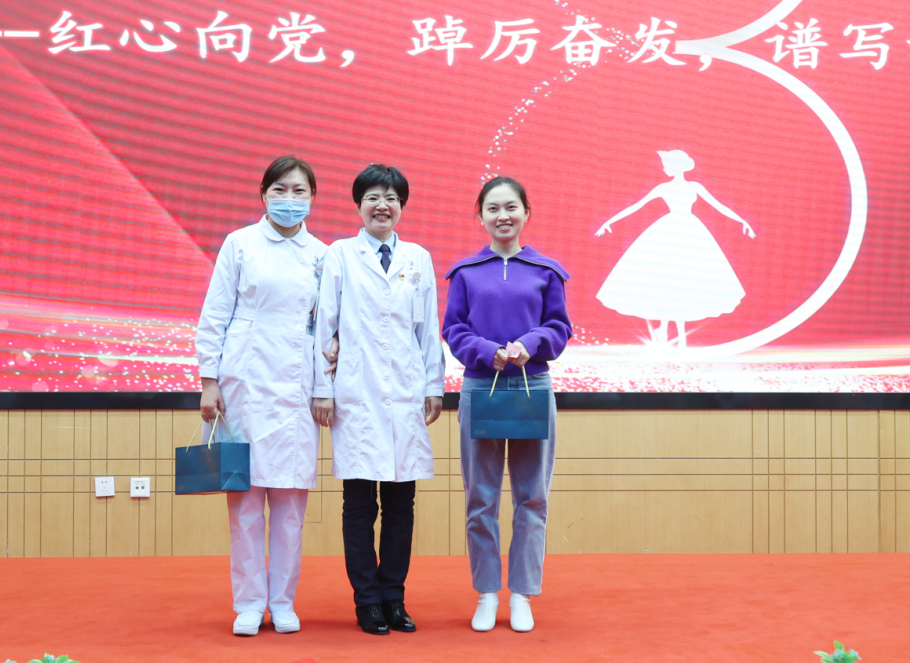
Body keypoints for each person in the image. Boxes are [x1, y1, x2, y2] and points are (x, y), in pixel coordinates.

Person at [311, 164, 445, 635]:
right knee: (359, 505)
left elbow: (427, 327)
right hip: (356, 392)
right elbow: (325, 325)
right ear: (358, 205)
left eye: (391, 197)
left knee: (401, 505)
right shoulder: (341, 255)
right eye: (372, 197)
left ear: (401, 206)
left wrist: (433, 385)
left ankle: (394, 598)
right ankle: (367, 601)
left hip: (406, 393)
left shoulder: (418, 257)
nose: (382, 205)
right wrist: (322, 389)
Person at [196, 155, 327, 637]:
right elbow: (214, 314)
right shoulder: (240, 244)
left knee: (290, 506)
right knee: (246, 502)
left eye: (299, 191)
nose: (289, 199)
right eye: (280, 190)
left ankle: (283, 601)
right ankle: (250, 603)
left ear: (312, 198)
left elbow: (328, 326)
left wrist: (325, 386)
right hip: (245, 381)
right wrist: (209, 380)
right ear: (263, 194)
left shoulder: (323, 255)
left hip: (297, 384)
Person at [442, 176, 572, 633]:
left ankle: (521, 594)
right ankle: (486, 593)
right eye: (493, 208)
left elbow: (559, 328)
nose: (503, 215)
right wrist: (486, 351)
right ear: (480, 216)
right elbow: (453, 329)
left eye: (511, 207)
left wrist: (529, 343)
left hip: (532, 385)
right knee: (480, 498)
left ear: (526, 213)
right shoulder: (465, 273)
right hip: (481, 387)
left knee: (531, 496)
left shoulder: (547, 271)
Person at [595, 149, 756, 347]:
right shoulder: (663, 188)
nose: (664, 169)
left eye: (667, 165)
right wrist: (609, 221)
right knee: (669, 277)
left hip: (687, 232)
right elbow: (636, 206)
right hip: (672, 232)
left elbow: (718, 206)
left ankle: (674, 333)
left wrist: (741, 221)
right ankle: (668, 331)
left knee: (682, 279)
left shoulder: (693, 186)